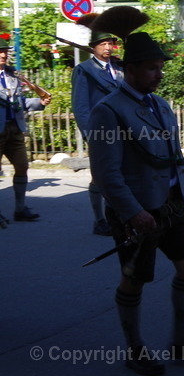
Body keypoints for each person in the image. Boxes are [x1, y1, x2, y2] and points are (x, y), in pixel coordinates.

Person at [87, 7, 184, 376]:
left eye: (160, 67)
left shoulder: (160, 105)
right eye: (152, 69)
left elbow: (175, 158)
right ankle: (135, 347)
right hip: (138, 210)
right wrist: (131, 212)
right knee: (134, 277)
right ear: (131, 70)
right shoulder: (108, 111)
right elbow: (106, 173)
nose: (159, 75)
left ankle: (181, 338)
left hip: (172, 205)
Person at [71, 23, 122, 235]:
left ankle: (117, 214)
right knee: (100, 176)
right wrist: (90, 133)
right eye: (103, 43)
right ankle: (99, 219)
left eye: (110, 43)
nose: (108, 47)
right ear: (93, 47)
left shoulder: (119, 68)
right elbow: (80, 106)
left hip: (122, 129)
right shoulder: (84, 70)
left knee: (121, 173)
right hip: (100, 130)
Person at [0, 36, 51, 225]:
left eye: (5, 51)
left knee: (22, 166)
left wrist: (39, 102)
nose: (3, 54)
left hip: (14, 128)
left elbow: (19, 102)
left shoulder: (13, 75)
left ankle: (20, 209)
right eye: (0, 52)